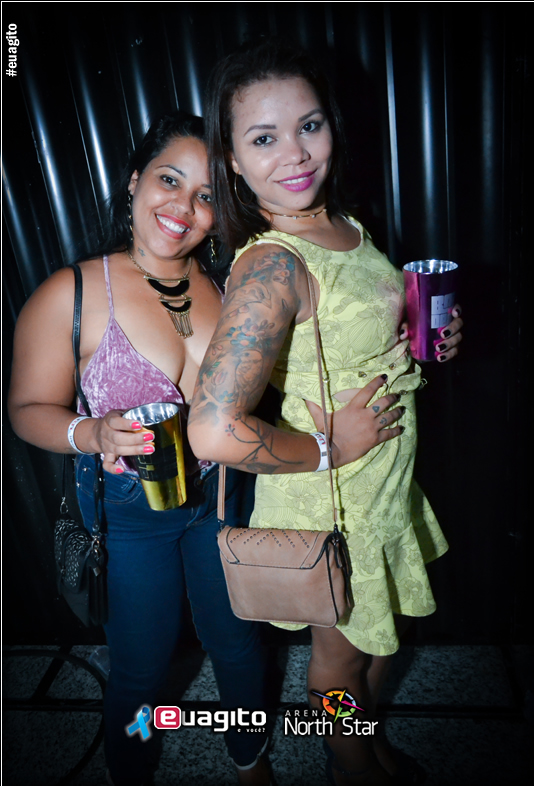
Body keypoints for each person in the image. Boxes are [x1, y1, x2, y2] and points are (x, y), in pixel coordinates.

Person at [188, 41, 463, 786]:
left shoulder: (338, 222)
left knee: (375, 645)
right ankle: (352, 764)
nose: (296, 154)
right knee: (337, 668)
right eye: (264, 138)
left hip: (381, 487)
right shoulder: (273, 262)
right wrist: (327, 449)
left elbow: (352, 338)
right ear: (232, 159)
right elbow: (210, 430)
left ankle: (365, 742)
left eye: (309, 125)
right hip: (331, 500)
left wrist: (420, 334)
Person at [8, 112, 271, 786]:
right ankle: (131, 772)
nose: (184, 206)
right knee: (142, 669)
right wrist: (92, 432)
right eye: (169, 180)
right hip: (131, 515)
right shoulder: (71, 292)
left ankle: (249, 761)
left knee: (238, 643)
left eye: (206, 194)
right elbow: (26, 410)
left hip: (221, 497)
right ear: (133, 182)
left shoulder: (231, 287)